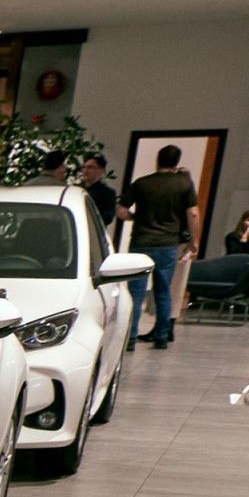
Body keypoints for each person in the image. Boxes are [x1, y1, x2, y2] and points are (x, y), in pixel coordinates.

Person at [122, 145, 200, 349]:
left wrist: (135, 217)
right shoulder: (184, 184)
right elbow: (193, 214)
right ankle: (161, 336)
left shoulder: (141, 183)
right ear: (176, 161)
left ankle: (130, 337)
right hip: (167, 244)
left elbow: (121, 210)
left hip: (141, 242)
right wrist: (194, 241)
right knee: (163, 291)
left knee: (136, 293)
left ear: (157, 159)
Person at [79, 152, 119, 233]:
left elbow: (108, 218)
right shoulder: (76, 189)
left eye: (90, 167)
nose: (85, 170)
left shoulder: (107, 193)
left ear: (101, 171)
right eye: (84, 167)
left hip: (93, 232)